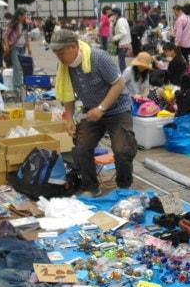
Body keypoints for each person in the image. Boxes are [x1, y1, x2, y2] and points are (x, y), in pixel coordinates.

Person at [49, 29, 137, 196]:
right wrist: (68, 118)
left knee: (122, 148)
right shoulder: (65, 66)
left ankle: (124, 187)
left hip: (117, 109)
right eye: (55, 53)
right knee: (81, 148)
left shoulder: (98, 58)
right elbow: (68, 96)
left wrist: (102, 108)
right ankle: (91, 187)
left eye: (61, 52)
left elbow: (118, 84)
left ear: (73, 47)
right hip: (91, 110)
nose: (58, 57)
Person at [3, 7, 32, 90]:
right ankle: (17, 86)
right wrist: (7, 46)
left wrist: (29, 48)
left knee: (22, 67)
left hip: (22, 48)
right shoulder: (13, 24)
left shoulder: (25, 25)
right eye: (24, 15)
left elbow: (26, 37)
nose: (25, 17)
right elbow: (5, 35)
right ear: (19, 16)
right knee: (17, 66)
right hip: (14, 48)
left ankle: (20, 84)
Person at [172, 5, 190, 72]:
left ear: (179, 10)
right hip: (189, 40)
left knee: (184, 56)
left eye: (175, 11)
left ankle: (187, 69)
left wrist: (176, 42)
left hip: (183, 42)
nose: (174, 13)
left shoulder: (180, 19)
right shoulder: (186, 17)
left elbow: (179, 32)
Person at [110, 7, 131, 73]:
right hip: (125, 43)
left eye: (112, 15)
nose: (111, 16)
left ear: (116, 14)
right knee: (122, 62)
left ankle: (124, 76)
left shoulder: (120, 21)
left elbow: (123, 32)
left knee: (121, 62)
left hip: (123, 44)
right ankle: (125, 75)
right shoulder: (123, 19)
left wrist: (115, 38)